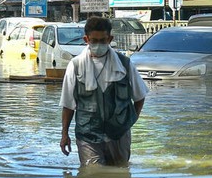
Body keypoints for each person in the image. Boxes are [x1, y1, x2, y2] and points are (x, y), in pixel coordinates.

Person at [59, 16, 149, 167]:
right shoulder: (75, 66)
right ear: (86, 39)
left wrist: (129, 122)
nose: (98, 44)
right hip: (87, 135)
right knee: (92, 177)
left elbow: (140, 97)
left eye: (103, 40)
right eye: (94, 40)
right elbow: (68, 105)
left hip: (119, 134)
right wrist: (64, 134)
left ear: (110, 39)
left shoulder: (124, 64)